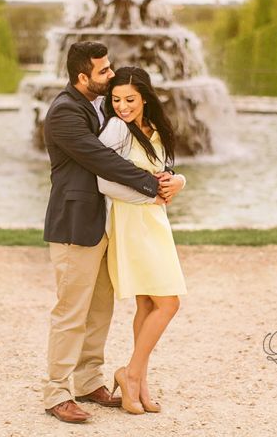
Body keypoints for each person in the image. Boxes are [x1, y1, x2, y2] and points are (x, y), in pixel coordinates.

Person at [42, 42, 179, 424]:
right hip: (75, 224)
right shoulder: (65, 112)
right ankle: (57, 390)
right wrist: (153, 185)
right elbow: (101, 160)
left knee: (100, 310)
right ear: (82, 77)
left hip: (104, 225)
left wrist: (173, 178)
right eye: (103, 71)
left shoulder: (98, 107)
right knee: (71, 312)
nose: (110, 74)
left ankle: (88, 381)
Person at [96, 66, 187, 415]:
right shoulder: (117, 128)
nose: (122, 106)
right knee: (169, 303)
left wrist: (180, 182)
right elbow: (104, 181)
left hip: (154, 222)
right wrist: (150, 197)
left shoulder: (156, 128)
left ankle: (140, 383)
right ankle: (130, 374)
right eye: (116, 99)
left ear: (145, 97)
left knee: (149, 305)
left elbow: (166, 174)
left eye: (130, 99)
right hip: (132, 222)